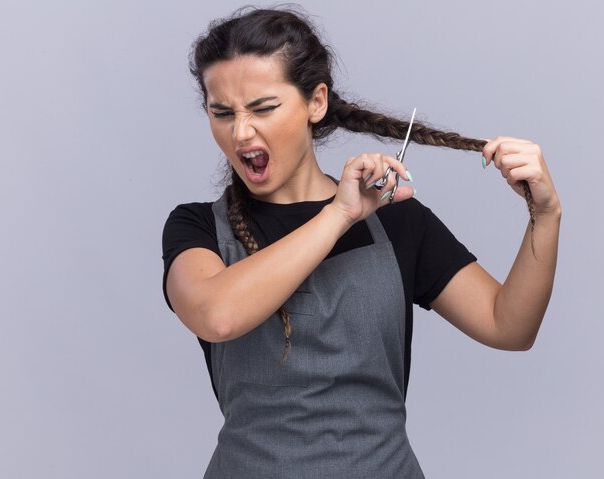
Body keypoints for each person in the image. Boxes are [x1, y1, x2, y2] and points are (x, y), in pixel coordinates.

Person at [161, 7, 561, 478]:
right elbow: (218, 315)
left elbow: (509, 326)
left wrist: (546, 216)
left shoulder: (396, 221)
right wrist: (340, 215)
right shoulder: (197, 229)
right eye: (221, 112)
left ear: (316, 102)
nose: (241, 131)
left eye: (264, 108)